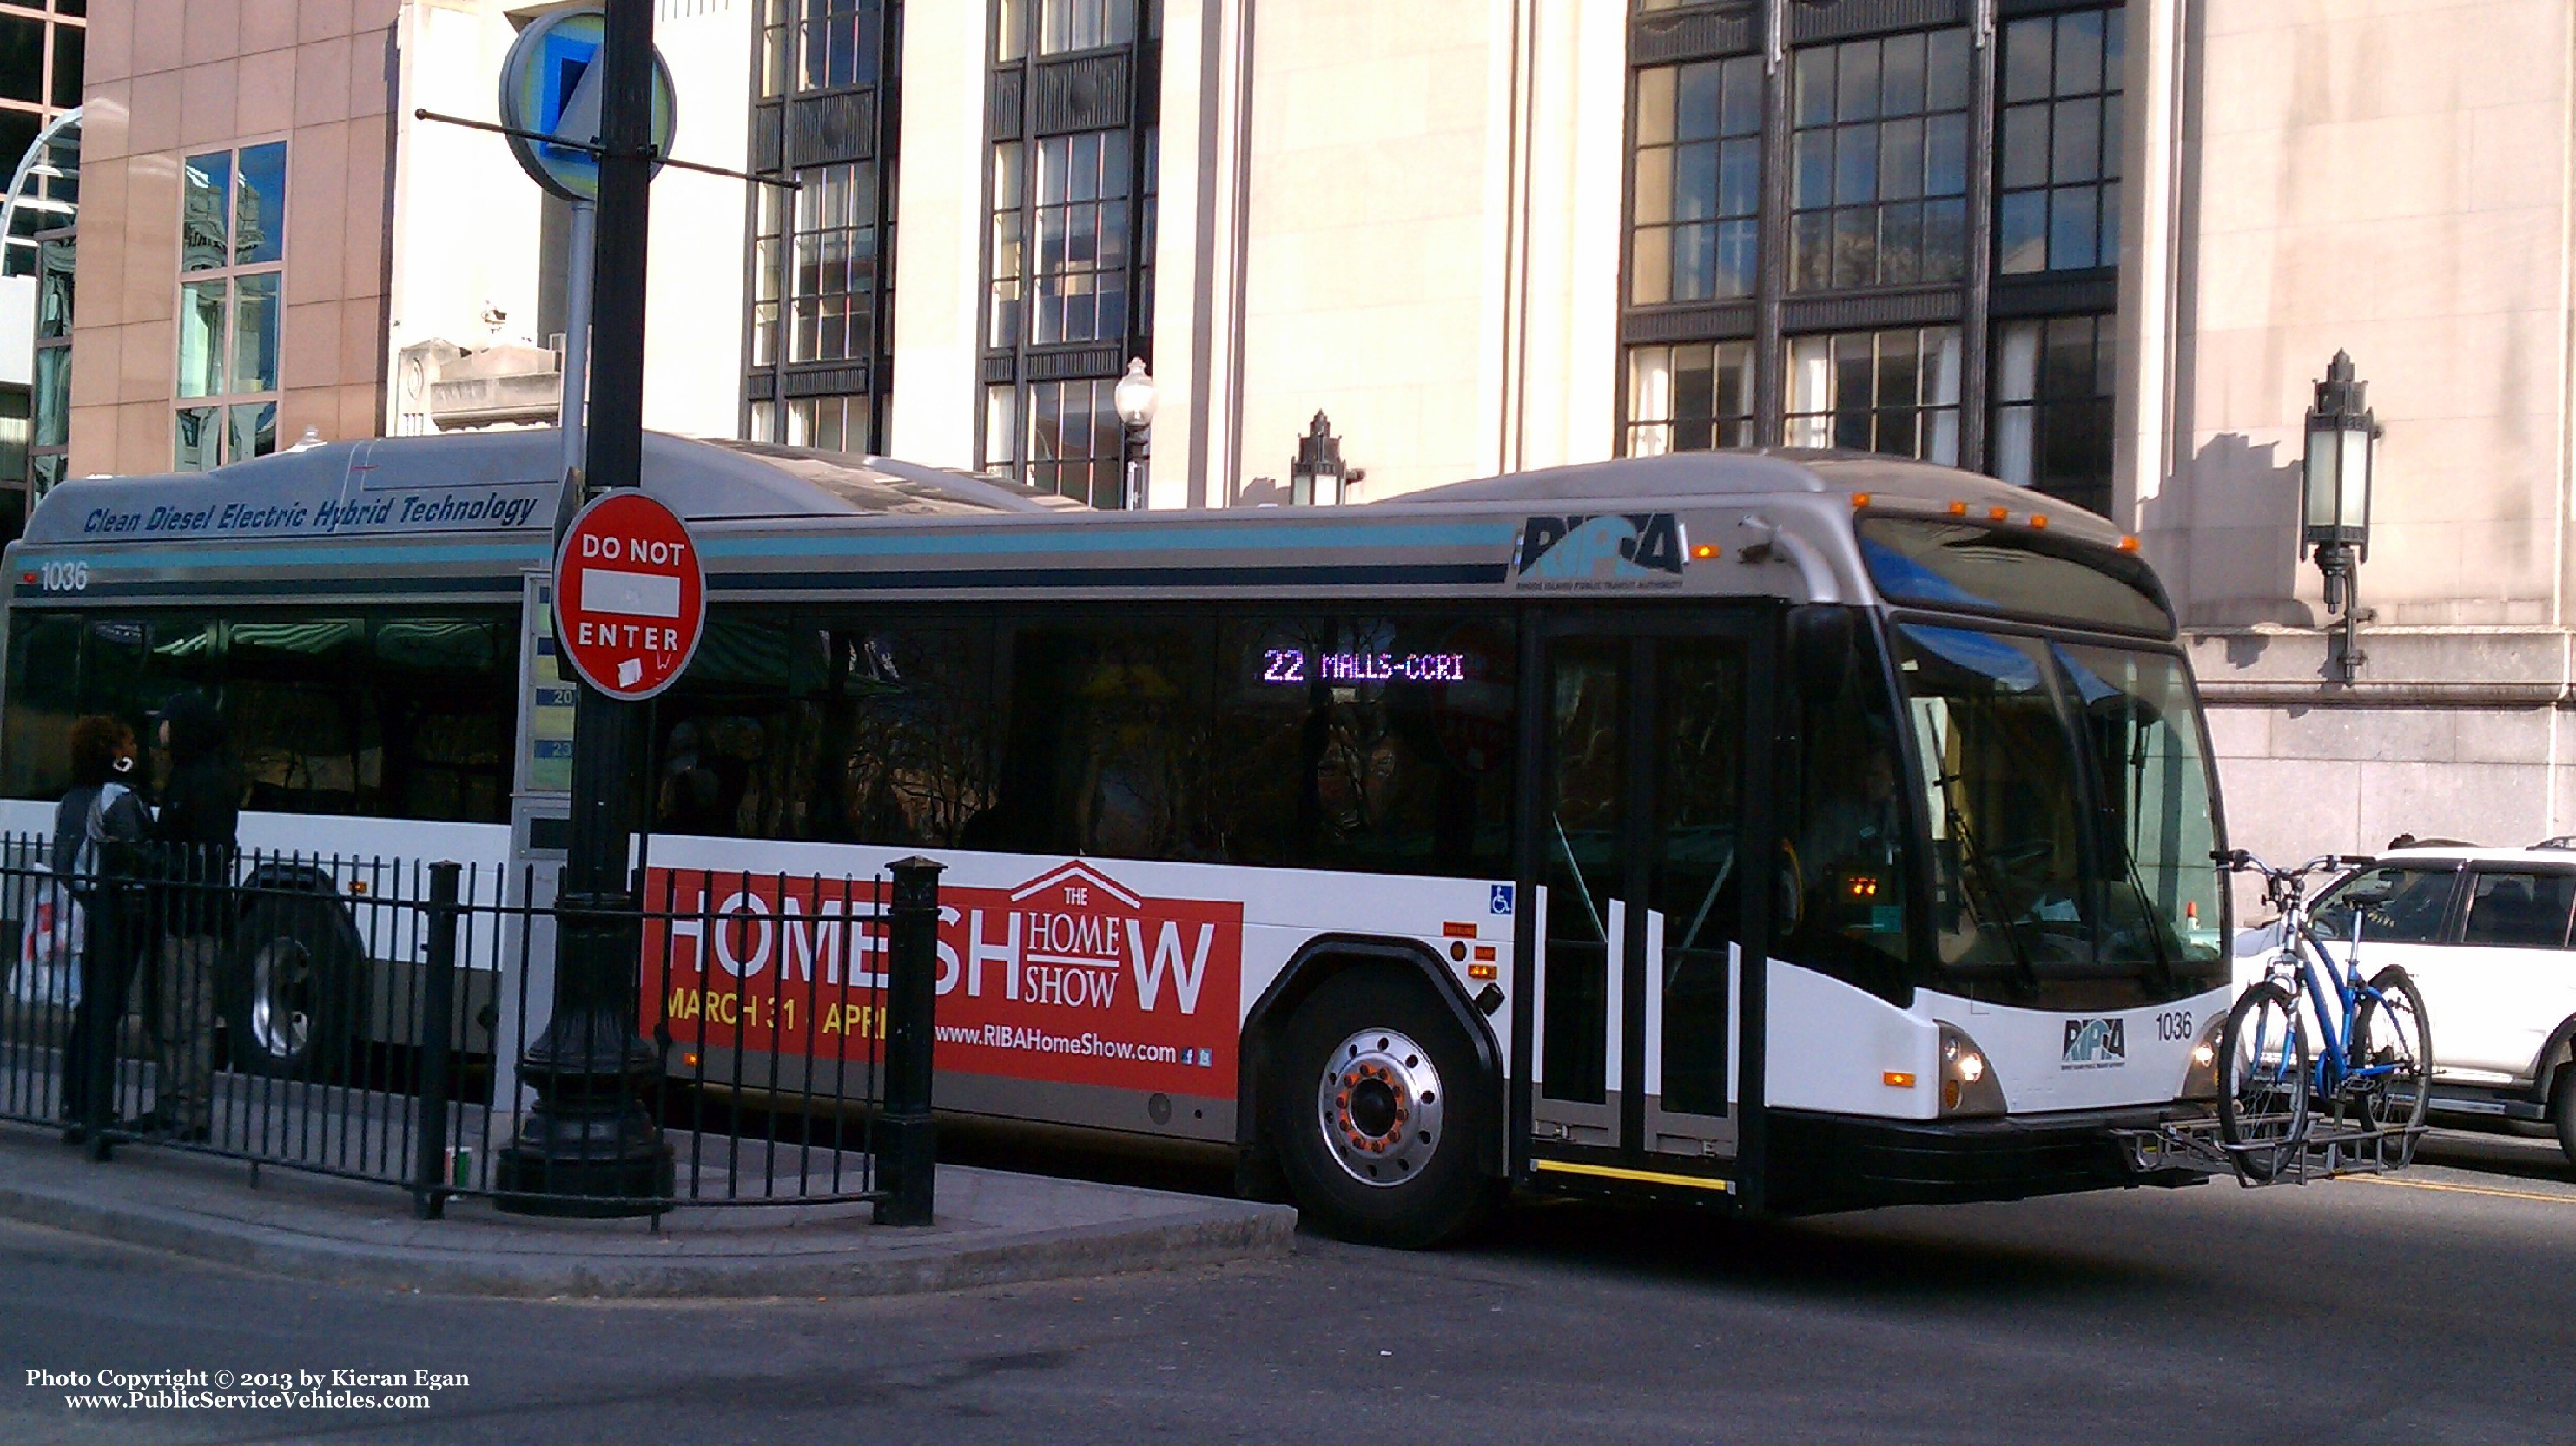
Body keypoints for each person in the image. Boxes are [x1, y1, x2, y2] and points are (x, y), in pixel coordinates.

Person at [143, 692, 237, 1143]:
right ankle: (172, 1104)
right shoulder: (194, 775)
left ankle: (187, 1111)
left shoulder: (204, 781)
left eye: (167, 724)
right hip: (182, 916)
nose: (161, 733)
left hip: (191, 919)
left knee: (188, 1019)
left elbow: (195, 853)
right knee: (172, 1018)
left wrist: (156, 859)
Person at [56, 716, 152, 1146]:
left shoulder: (71, 799)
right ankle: (98, 1111)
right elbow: (141, 854)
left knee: (88, 1010)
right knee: (105, 1012)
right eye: (128, 743)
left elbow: (64, 862)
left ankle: (76, 1107)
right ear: (113, 753)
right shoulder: (118, 796)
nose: (133, 750)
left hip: (84, 912)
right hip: (118, 914)